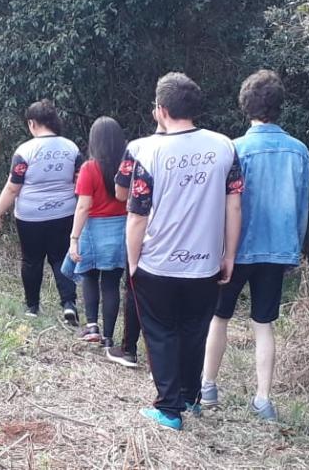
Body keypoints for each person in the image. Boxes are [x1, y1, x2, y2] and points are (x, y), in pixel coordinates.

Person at [124, 72, 243, 431]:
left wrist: (133, 262)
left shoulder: (148, 150)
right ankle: (190, 399)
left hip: (157, 262)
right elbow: (234, 205)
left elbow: (137, 215)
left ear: (161, 109)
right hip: (205, 263)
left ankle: (168, 408)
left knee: (160, 333)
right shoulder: (224, 146)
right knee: (194, 330)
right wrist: (229, 254)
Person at [202, 70, 309, 421]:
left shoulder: (234, 148)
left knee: (219, 316)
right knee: (264, 323)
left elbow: (222, 204)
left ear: (244, 105)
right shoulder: (299, 152)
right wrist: (295, 249)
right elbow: (302, 205)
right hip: (278, 248)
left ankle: (207, 386)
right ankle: (263, 400)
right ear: (280, 106)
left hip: (234, 249)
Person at [0, 100, 82, 322]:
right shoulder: (71, 148)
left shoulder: (25, 151)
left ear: (32, 123)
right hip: (65, 212)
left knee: (31, 261)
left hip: (31, 216)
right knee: (61, 258)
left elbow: (13, 187)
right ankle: (69, 304)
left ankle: (32, 307)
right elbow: (79, 182)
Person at [105, 109, 165, 369]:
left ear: (158, 111)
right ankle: (167, 364)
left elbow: (120, 192)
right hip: (193, 239)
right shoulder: (212, 146)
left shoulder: (139, 147)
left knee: (137, 291)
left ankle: (130, 349)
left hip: (148, 231)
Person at [63, 116, 127, 347]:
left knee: (89, 277)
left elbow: (83, 205)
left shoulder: (89, 168)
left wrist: (74, 238)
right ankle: (109, 337)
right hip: (120, 230)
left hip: (92, 230)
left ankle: (92, 326)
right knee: (111, 284)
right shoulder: (127, 167)